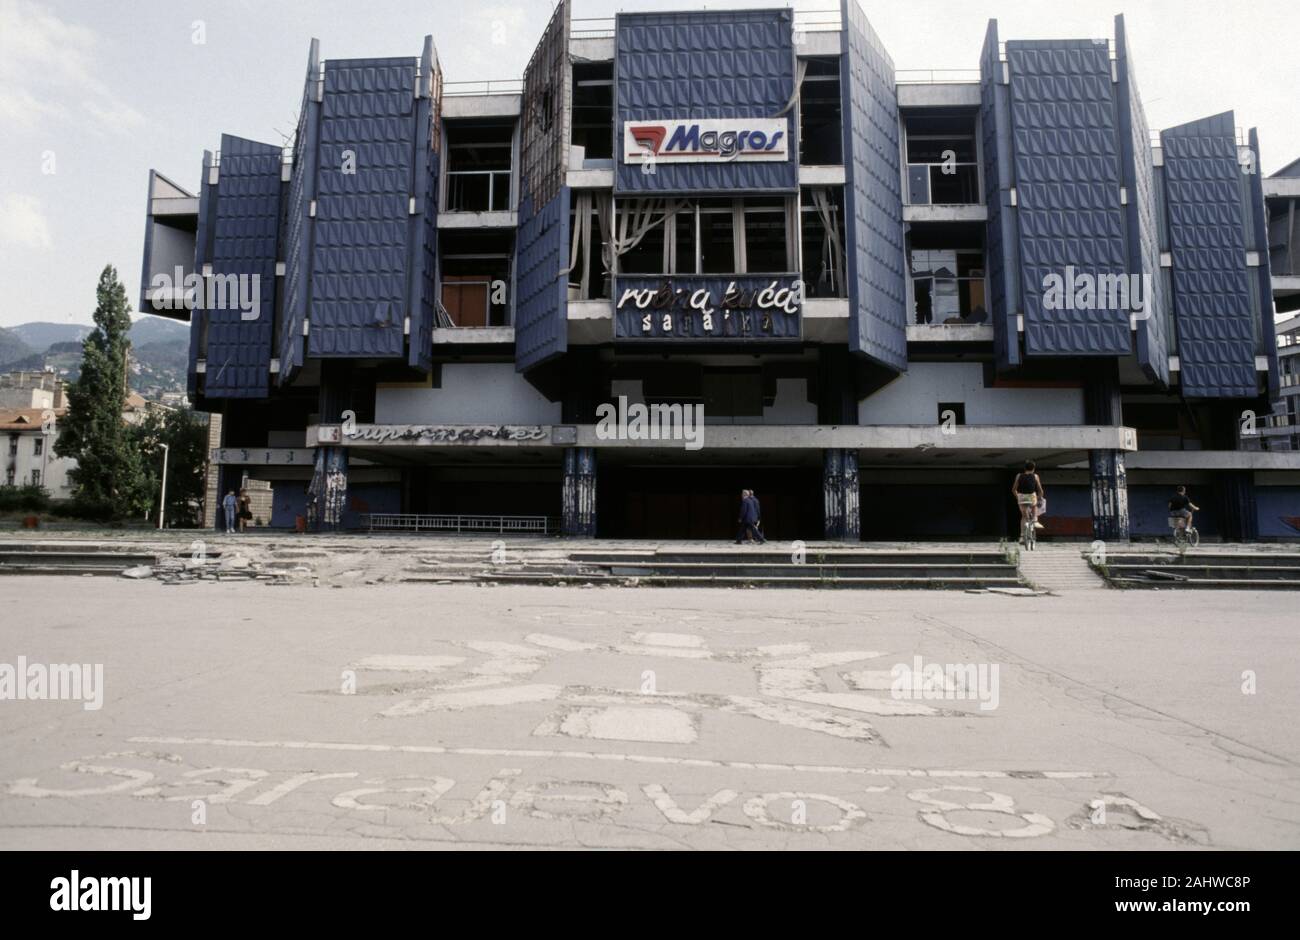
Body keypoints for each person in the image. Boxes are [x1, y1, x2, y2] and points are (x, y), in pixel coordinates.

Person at [1012, 461, 1045, 533]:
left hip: (1021, 497)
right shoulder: (1035, 476)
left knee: (1024, 517)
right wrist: (1039, 498)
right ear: (1034, 469)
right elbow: (1040, 491)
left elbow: (1014, 490)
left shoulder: (1018, 475)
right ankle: (1035, 520)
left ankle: (1022, 536)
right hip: (1031, 497)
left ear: (1024, 468)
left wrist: (1018, 498)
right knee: (1034, 505)